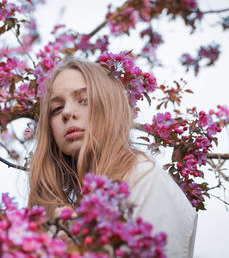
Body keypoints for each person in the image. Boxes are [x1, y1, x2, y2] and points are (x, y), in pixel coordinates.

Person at [28, 59, 197, 257]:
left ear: (108, 106)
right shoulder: (70, 209)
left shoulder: (143, 177)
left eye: (84, 99)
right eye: (56, 109)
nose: (66, 112)